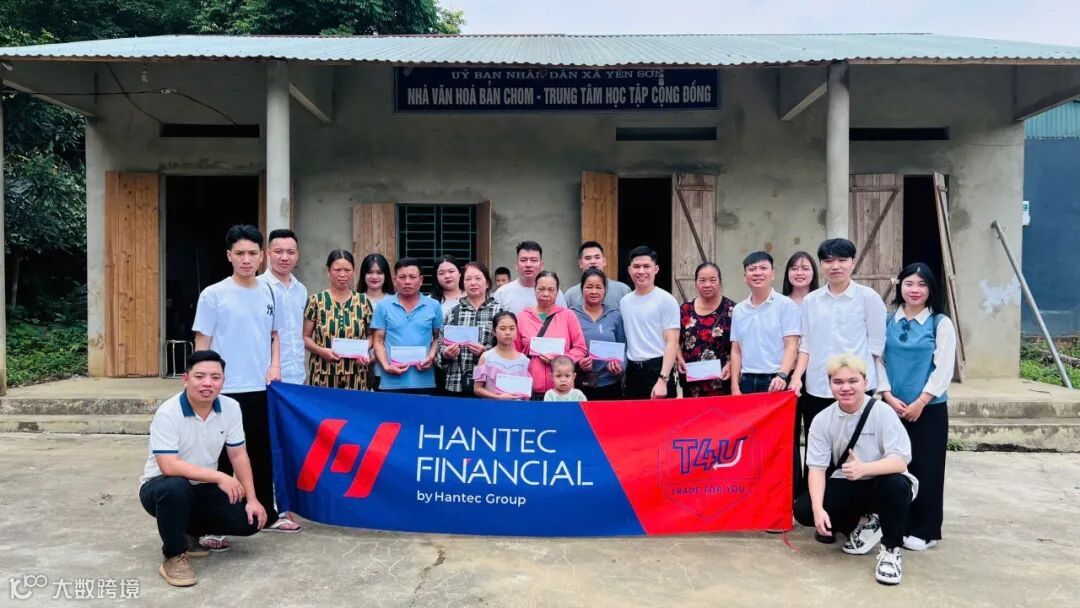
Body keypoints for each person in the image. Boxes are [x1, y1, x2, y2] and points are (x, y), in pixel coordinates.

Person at [192, 224, 299, 534]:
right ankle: (217, 523)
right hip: (225, 388)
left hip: (261, 386)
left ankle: (267, 512)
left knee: (261, 450)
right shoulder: (213, 294)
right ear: (229, 255)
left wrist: (274, 366)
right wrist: (203, 382)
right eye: (239, 253)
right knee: (222, 455)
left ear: (261, 255)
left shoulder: (269, 292)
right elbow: (202, 342)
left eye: (252, 253)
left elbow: (275, 335)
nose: (246, 259)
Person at [139, 350, 266, 587]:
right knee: (176, 487)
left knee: (250, 520)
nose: (208, 383)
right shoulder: (169, 412)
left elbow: (238, 455)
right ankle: (174, 555)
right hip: (160, 488)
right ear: (186, 379)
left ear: (223, 381)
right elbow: (168, 466)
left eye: (215, 377)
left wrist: (252, 499)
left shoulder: (231, 408)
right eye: (200, 376)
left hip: (201, 488)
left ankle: (189, 533)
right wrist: (220, 476)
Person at [793, 354, 917, 586]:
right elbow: (817, 469)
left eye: (853, 381)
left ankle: (891, 550)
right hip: (848, 482)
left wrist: (864, 468)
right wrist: (818, 509)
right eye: (838, 382)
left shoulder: (882, 413)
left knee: (896, 484)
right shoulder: (822, 420)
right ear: (830, 385)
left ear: (865, 382)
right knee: (804, 509)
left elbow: (900, 461)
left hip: (881, 480)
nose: (846, 388)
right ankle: (867, 521)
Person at [791, 238, 887, 494]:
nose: (835, 266)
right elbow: (805, 344)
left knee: (857, 447)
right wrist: (797, 377)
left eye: (842, 260)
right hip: (818, 388)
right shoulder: (811, 301)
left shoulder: (868, 298)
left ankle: (857, 505)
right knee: (819, 448)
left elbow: (876, 347)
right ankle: (816, 502)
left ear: (853, 263)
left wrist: (865, 384)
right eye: (829, 261)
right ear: (821, 265)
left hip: (855, 389)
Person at [876, 263, 957, 552]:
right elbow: (877, 359)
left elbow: (943, 368)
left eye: (922, 284)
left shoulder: (940, 323)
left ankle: (925, 530)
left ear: (931, 289)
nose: (914, 289)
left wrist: (921, 401)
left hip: (928, 409)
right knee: (894, 466)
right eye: (909, 283)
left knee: (927, 467)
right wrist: (886, 394)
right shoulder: (888, 320)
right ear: (900, 286)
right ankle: (897, 524)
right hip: (892, 406)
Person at [730, 252, 801, 395]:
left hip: (776, 379)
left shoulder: (786, 305)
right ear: (745, 277)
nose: (758, 273)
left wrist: (782, 375)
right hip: (746, 379)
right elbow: (736, 350)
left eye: (763, 268)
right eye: (752, 269)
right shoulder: (738, 310)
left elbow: (791, 346)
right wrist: (735, 386)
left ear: (772, 274)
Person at [303, 250, 374, 390]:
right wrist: (321, 351)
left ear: (354, 271)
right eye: (337, 270)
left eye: (347, 270)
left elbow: (371, 335)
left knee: (354, 404)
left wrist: (363, 350)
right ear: (328, 271)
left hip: (357, 373)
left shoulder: (363, 301)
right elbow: (305, 337)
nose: (342, 274)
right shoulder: (316, 301)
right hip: (323, 372)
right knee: (324, 405)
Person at [371, 258, 443, 394]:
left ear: (421, 280)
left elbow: (438, 337)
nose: (407, 281)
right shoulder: (383, 306)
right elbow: (378, 340)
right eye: (402, 277)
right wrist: (386, 366)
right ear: (395, 280)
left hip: (424, 380)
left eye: (412, 277)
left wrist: (431, 357)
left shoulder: (434, 305)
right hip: (391, 380)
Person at [514, 271, 587, 400]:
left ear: (557, 292)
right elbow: (515, 352)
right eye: (541, 289)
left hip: (562, 391)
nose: (546, 294)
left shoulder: (568, 316)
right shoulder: (522, 317)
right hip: (530, 388)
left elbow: (580, 348)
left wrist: (560, 360)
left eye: (551, 290)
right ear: (534, 289)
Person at [620, 246, 680, 399]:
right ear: (629, 270)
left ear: (656, 269)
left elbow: (672, 342)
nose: (641, 271)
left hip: (658, 369)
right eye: (636, 266)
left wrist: (663, 379)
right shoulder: (624, 302)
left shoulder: (666, 300)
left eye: (646, 266)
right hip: (633, 371)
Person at [438, 262, 502, 396]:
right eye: (468, 279)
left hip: (489, 386)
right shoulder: (453, 312)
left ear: (487, 283)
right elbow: (439, 346)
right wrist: (446, 354)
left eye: (478, 278)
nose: (473, 283)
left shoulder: (499, 311)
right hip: (456, 384)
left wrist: (485, 352)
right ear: (463, 283)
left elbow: (507, 346)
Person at [677, 262, 736, 398]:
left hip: (723, 380)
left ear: (720, 282)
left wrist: (732, 364)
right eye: (702, 280)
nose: (707, 284)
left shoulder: (732, 310)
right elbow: (674, 341)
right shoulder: (685, 310)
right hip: (692, 384)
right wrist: (678, 358)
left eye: (712, 280)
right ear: (696, 283)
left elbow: (741, 345)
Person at [258, 229, 307, 385]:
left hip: (298, 374)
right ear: (268, 254)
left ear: (297, 255)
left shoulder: (301, 289)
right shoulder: (258, 287)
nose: (285, 257)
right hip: (266, 376)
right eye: (278, 252)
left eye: (290, 252)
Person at [571, 268, 626, 401]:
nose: (594, 291)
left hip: (610, 383)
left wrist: (620, 365)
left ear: (605, 290)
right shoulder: (571, 315)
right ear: (582, 289)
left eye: (598, 287)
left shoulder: (615, 315)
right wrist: (578, 363)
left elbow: (624, 346)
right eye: (589, 287)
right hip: (580, 384)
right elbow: (567, 348)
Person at [493, 241, 567, 314]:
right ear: (516, 265)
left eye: (533, 260)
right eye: (523, 260)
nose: (528, 265)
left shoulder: (554, 293)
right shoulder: (502, 293)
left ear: (541, 265)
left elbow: (564, 318)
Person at [473, 311, 532, 400]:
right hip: (492, 406)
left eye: (512, 328)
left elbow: (527, 393)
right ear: (494, 331)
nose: (508, 332)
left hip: (516, 407)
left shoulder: (524, 361)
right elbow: (477, 389)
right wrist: (497, 397)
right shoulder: (486, 357)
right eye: (502, 328)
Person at [358, 253, 394, 390]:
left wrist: (377, 357)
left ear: (386, 275)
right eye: (370, 272)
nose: (374, 277)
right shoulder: (354, 300)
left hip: (389, 365)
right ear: (363, 274)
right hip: (358, 364)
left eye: (379, 272)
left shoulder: (394, 301)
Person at [564, 241, 632, 310]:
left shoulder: (622, 290)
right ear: (580, 263)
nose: (593, 262)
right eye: (588, 258)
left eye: (597, 257)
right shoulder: (571, 295)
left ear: (604, 261)